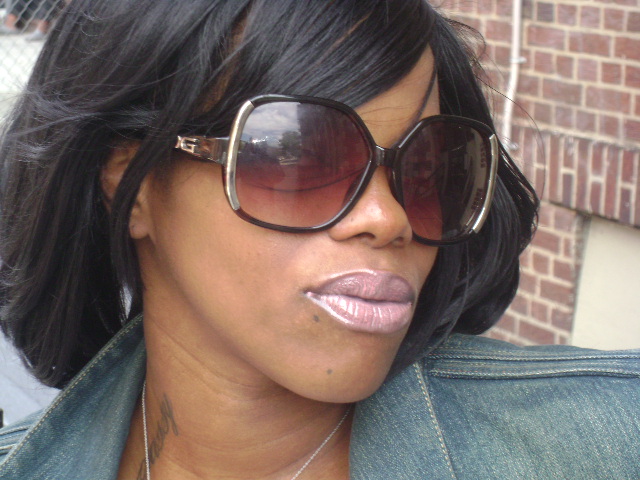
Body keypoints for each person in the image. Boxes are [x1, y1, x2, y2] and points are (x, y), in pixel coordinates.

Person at [0, 0, 637, 479]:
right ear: (131, 185)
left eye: (429, 167)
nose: (387, 218)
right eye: (300, 153)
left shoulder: (605, 443)